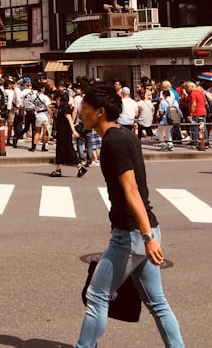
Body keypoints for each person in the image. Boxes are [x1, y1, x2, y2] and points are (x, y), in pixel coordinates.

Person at [75, 83, 184, 348]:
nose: (81, 113)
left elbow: (132, 189)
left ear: (100, 112)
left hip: (132, 234)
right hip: (141, 230)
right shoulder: (124, 135)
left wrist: (146, 236)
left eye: (85, 109)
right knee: (157, 302)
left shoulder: (114, 142)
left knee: (97, 296)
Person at [50, 91, 86, 178]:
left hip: (64, 132)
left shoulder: (63, 106)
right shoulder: (62, 106)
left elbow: (69, 118)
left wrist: (73, 130)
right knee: (64, 149)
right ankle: (61, 169)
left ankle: (78, 167)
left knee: (65, 149)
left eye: (56, 99)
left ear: (59, 98)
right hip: (62, 132)